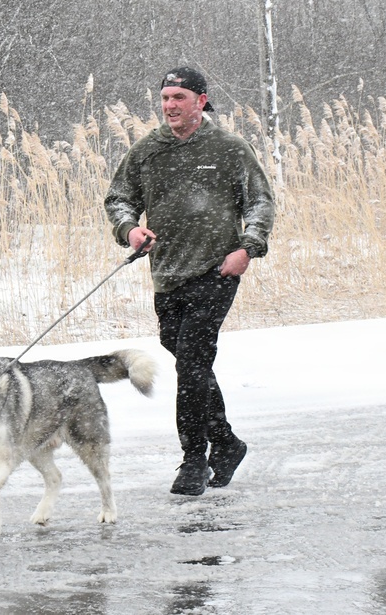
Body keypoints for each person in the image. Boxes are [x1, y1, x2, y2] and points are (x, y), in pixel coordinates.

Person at [105, 67, 275, 496]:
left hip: (217, 270)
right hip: (167, 274)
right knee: (188, 360)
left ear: (201, 100)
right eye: (165, 98)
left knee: (193, 363)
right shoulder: (148, 150)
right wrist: (130, 230)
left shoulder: (229, 148)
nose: (170, 106)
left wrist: (248, 247)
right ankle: (228, 442)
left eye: (179, 97)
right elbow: (119, 198)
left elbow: (259, 200)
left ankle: (193, 459)